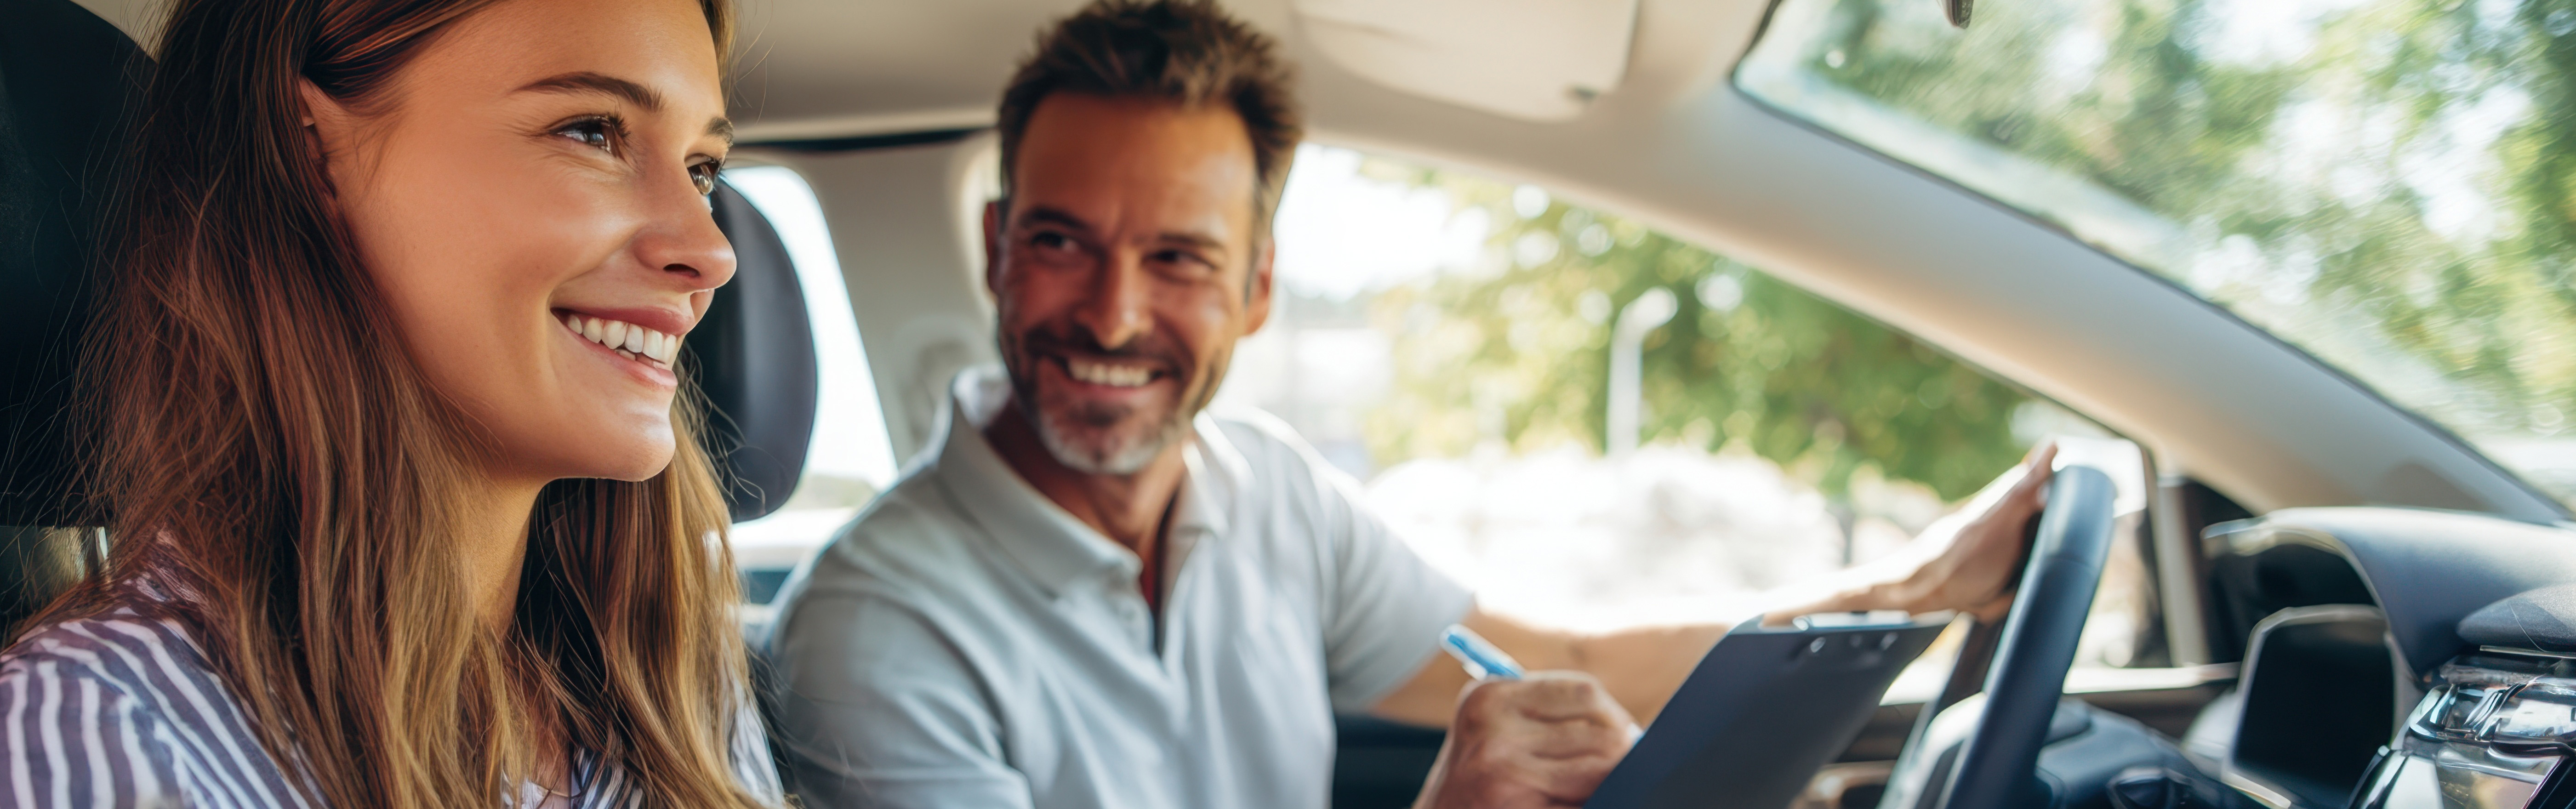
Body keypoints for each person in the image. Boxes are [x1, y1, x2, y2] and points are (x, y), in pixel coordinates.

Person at [759, 2, 2062, 809]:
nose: (1110, 315)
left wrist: (1911, 588)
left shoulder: (1266, 491)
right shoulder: (872, 632)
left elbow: (1578, 663)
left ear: (1257, 289)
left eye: (1179, 259)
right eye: (1060, 243)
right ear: (997, 250)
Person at [0, 0, 774, 806]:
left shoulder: (676, 691)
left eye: (701, 169)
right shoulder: (95, 749)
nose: (710, 250)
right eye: (591, 131)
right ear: (310, 155)